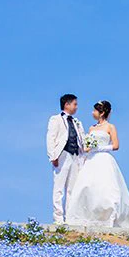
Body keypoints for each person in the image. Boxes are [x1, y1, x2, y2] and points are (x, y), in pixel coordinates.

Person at [65, 100, 129, 229]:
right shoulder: (91, 128)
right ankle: (89, 217)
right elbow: (87, 147)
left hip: (103, 158)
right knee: (87, 186)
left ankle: (108, 216)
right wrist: (87, 149)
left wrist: (100, 148)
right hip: (91, 159)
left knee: (106, 188)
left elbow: (116, 145)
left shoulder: (110, 127)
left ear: (101, 113)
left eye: (94, 110)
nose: (92, 113)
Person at [45, 94, 83, 223]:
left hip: (75, 155)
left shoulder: (77, 122)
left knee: (73, 188)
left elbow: (81, 138)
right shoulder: (55, 119)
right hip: (62, 154)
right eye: (75, 104)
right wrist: (52, 156)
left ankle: (70, 217)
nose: (76, 107)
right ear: (67, 104)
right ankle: (58, 217)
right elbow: (51, 137)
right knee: (59, 187)